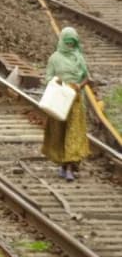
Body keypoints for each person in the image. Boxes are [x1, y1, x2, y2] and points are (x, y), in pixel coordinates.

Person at [41, 27, 92, 182]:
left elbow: (87, 78)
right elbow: (48, 77)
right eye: (67, 43)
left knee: (74, 133)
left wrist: (79, 86)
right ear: (62, 42)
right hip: (59, 100)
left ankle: (70, 166)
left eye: (73, 43)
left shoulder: (79, 58)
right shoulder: (55, 58)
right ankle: (62, 164)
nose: (70, 46)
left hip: (75, 101)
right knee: (59, 132)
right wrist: (57, 81)